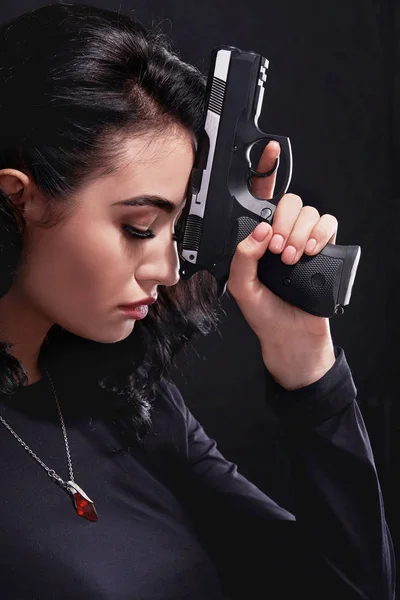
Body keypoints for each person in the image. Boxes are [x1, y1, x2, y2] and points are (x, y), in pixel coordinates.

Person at [0, 3, 395, 599]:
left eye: (178, 228)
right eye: (139, 227)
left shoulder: (139, 408)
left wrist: (305, 360)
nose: (166, 269)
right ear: (17, 199)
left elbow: (351, 589)